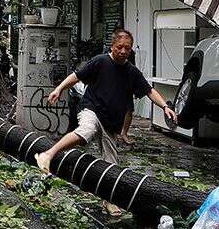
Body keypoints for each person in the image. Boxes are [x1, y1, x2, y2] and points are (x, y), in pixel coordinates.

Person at [35, 30, 177, 211]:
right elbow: (76, 76)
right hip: (92, 109)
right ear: (112, 46)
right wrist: (59, 89)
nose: (123, 51)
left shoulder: (132, 72)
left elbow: (149, 91)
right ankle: (47, 154)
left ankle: (109, 200)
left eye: (127, 48)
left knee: (112, 166)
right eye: (120, 47)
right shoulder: (100, 61)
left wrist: (165, 106)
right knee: (87, 129)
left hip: (111, 123)